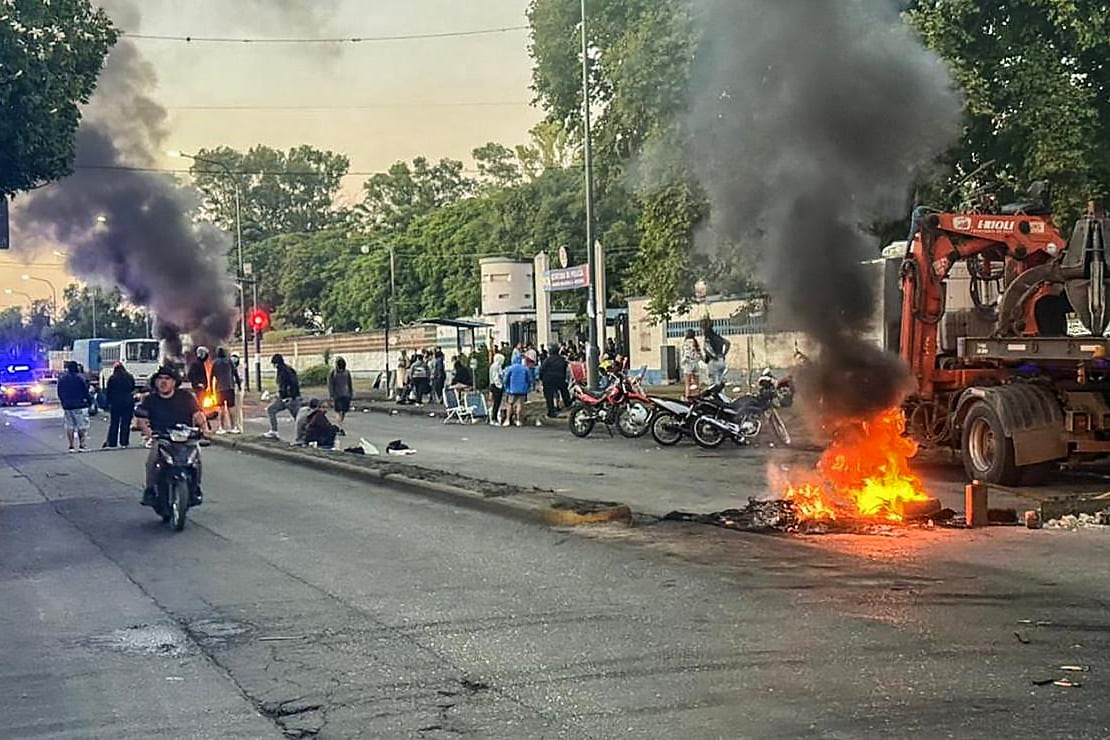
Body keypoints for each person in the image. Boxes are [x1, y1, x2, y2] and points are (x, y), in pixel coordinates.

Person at [136, 365, 211, 507]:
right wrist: (149, 434)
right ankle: (150, 490)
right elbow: (141, 420)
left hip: (186, 438)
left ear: (175, 382)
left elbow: (197, 414)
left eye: (167, 379)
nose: (163, 382)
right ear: (155, 382)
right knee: (152, 461)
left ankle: (195, 489)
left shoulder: (186, 397)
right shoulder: (150, 400)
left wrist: (204, 429)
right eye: (160, 379)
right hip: (162, 438)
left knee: (197, 459)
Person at [57, 361, 92, 452]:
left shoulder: (63, 379)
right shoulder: (80, 378)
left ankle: (71, 446)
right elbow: (85, 391)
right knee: (82, 426)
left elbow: (59, 391)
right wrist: (89, 401)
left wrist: (63, 401)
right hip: (80, 404)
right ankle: (82, 445)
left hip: (67, 406)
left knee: (70, 426)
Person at [264, 354, 301, 439]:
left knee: (271, 409)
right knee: (298, 418)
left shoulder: (282, 372)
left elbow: (283, 386)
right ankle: (305, 434)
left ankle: (274, 431)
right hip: (294, 397)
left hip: (287, 398)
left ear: (276, 363)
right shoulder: (290, 369)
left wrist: (281, 396)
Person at [103, 362, 136, 448]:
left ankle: (112, 442)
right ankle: (124, 442)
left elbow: (108, 392)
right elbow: (132, 388)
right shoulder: (129, 377)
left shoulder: (112, 378)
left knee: (114, 422)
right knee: (126, 423)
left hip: (115, 402)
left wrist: (107, 403)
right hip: (128, 402)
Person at [538, 346, 572, 417]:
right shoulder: (562, 360)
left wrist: (541, 379)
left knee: (549, 396)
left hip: (548, 380)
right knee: (564, 391)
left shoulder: (547, 360)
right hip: (560, 379)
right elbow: (565, 369)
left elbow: (542, 370)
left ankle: (551, 410)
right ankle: (567, 403)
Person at [211, 347, 238, 434]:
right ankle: (233, 427)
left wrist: (211, 389)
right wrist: (238, 384)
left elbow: (212, 376)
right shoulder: (229, 361)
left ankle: (222, 427)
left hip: (220, 388)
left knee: (221, 408)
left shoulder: (215, 363)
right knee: (231, 407)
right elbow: (235, 372)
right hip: (230, 387)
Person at [502, 355, 531, 427]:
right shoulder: (525, 368)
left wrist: (506, 387)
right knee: (520, 405)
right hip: (522, 389)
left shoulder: (510, 368)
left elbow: (506, 379)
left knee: (510, 404)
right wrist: (528, 387)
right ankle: (518, 420)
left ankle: (508, 420)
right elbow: (529, 379)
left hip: (512, 389)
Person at [701, 316, 731, 385]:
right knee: (720, 381)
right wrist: (724, 354)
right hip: (721, 360)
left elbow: (706, 349)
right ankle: (721, 394)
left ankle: (714, 395)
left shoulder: (708, 338)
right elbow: (728, 343)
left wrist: (712, 356)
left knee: (712, 382)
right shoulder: (718, 337)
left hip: (713, 361)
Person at [327, 356, 354, 428]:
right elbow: (350, 384)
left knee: (339, 412)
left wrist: (331, 395)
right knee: (341, 412)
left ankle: (340, 425)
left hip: (339, 395)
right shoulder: (337, 372)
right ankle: (340, 426)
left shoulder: (334, 373)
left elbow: (330, 384)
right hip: (344, 395)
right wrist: (351, 394)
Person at [680, 329, 702, 400]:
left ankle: (687, 398)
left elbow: (685, 354)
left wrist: (683, 362)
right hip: (696, 364)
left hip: (688, 364)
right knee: (696, 384)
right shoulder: (695, 342)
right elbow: (699, 354)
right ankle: (697, 397)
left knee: (687, 384)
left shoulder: (685, 343)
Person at [488, 351, 506, 426]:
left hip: (493, 385)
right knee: (496, 402)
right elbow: (496, 377)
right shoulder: (496, 366)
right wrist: (499, 385)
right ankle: (494, 418)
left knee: (496, 403)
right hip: (496, 386)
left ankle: (493, 417)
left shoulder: (494, 365)